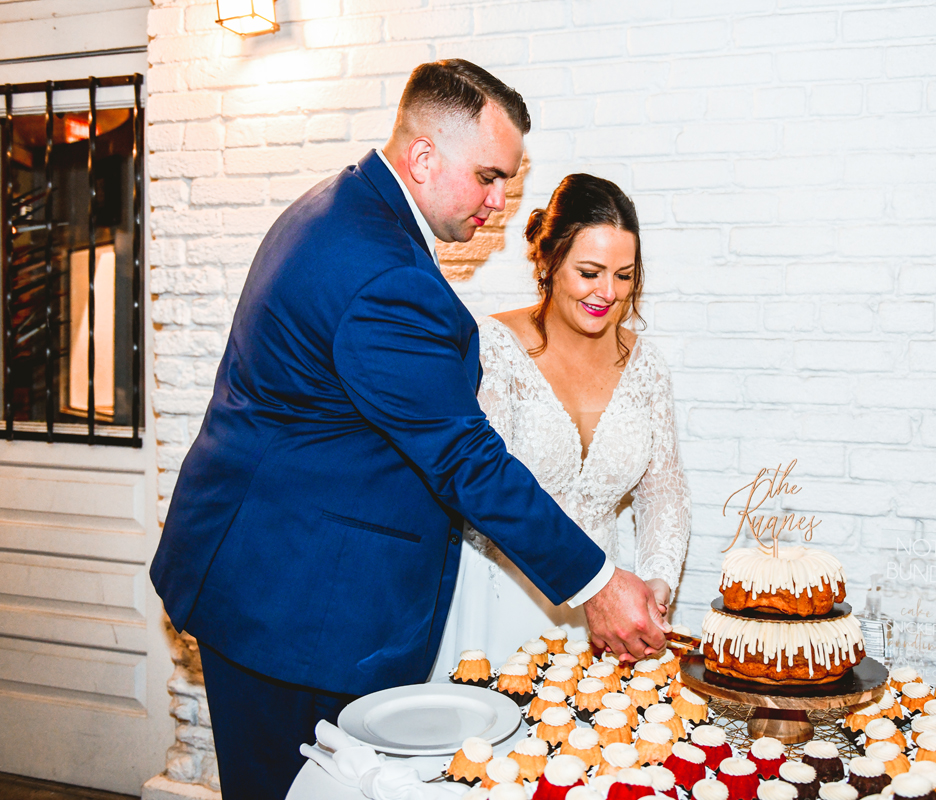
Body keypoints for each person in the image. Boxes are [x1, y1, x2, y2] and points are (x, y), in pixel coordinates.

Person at [149, 60, 667, 800]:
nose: (498, 203)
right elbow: (462, 455)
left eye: (508, 184)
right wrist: (596, 582)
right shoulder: (383, 270)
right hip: (290, 599)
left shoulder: (341, 207)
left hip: (274, 573)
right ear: (423, 157)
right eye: (489, 177)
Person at [432, 174, 690, 674]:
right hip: (500, 599)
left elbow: (664, 492)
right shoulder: (491, 346)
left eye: (623, 275)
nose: (607, 293)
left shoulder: (648, 366)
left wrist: (655, 584)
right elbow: (481, 486)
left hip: (605, 619)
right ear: (549, 262)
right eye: (590, 272)